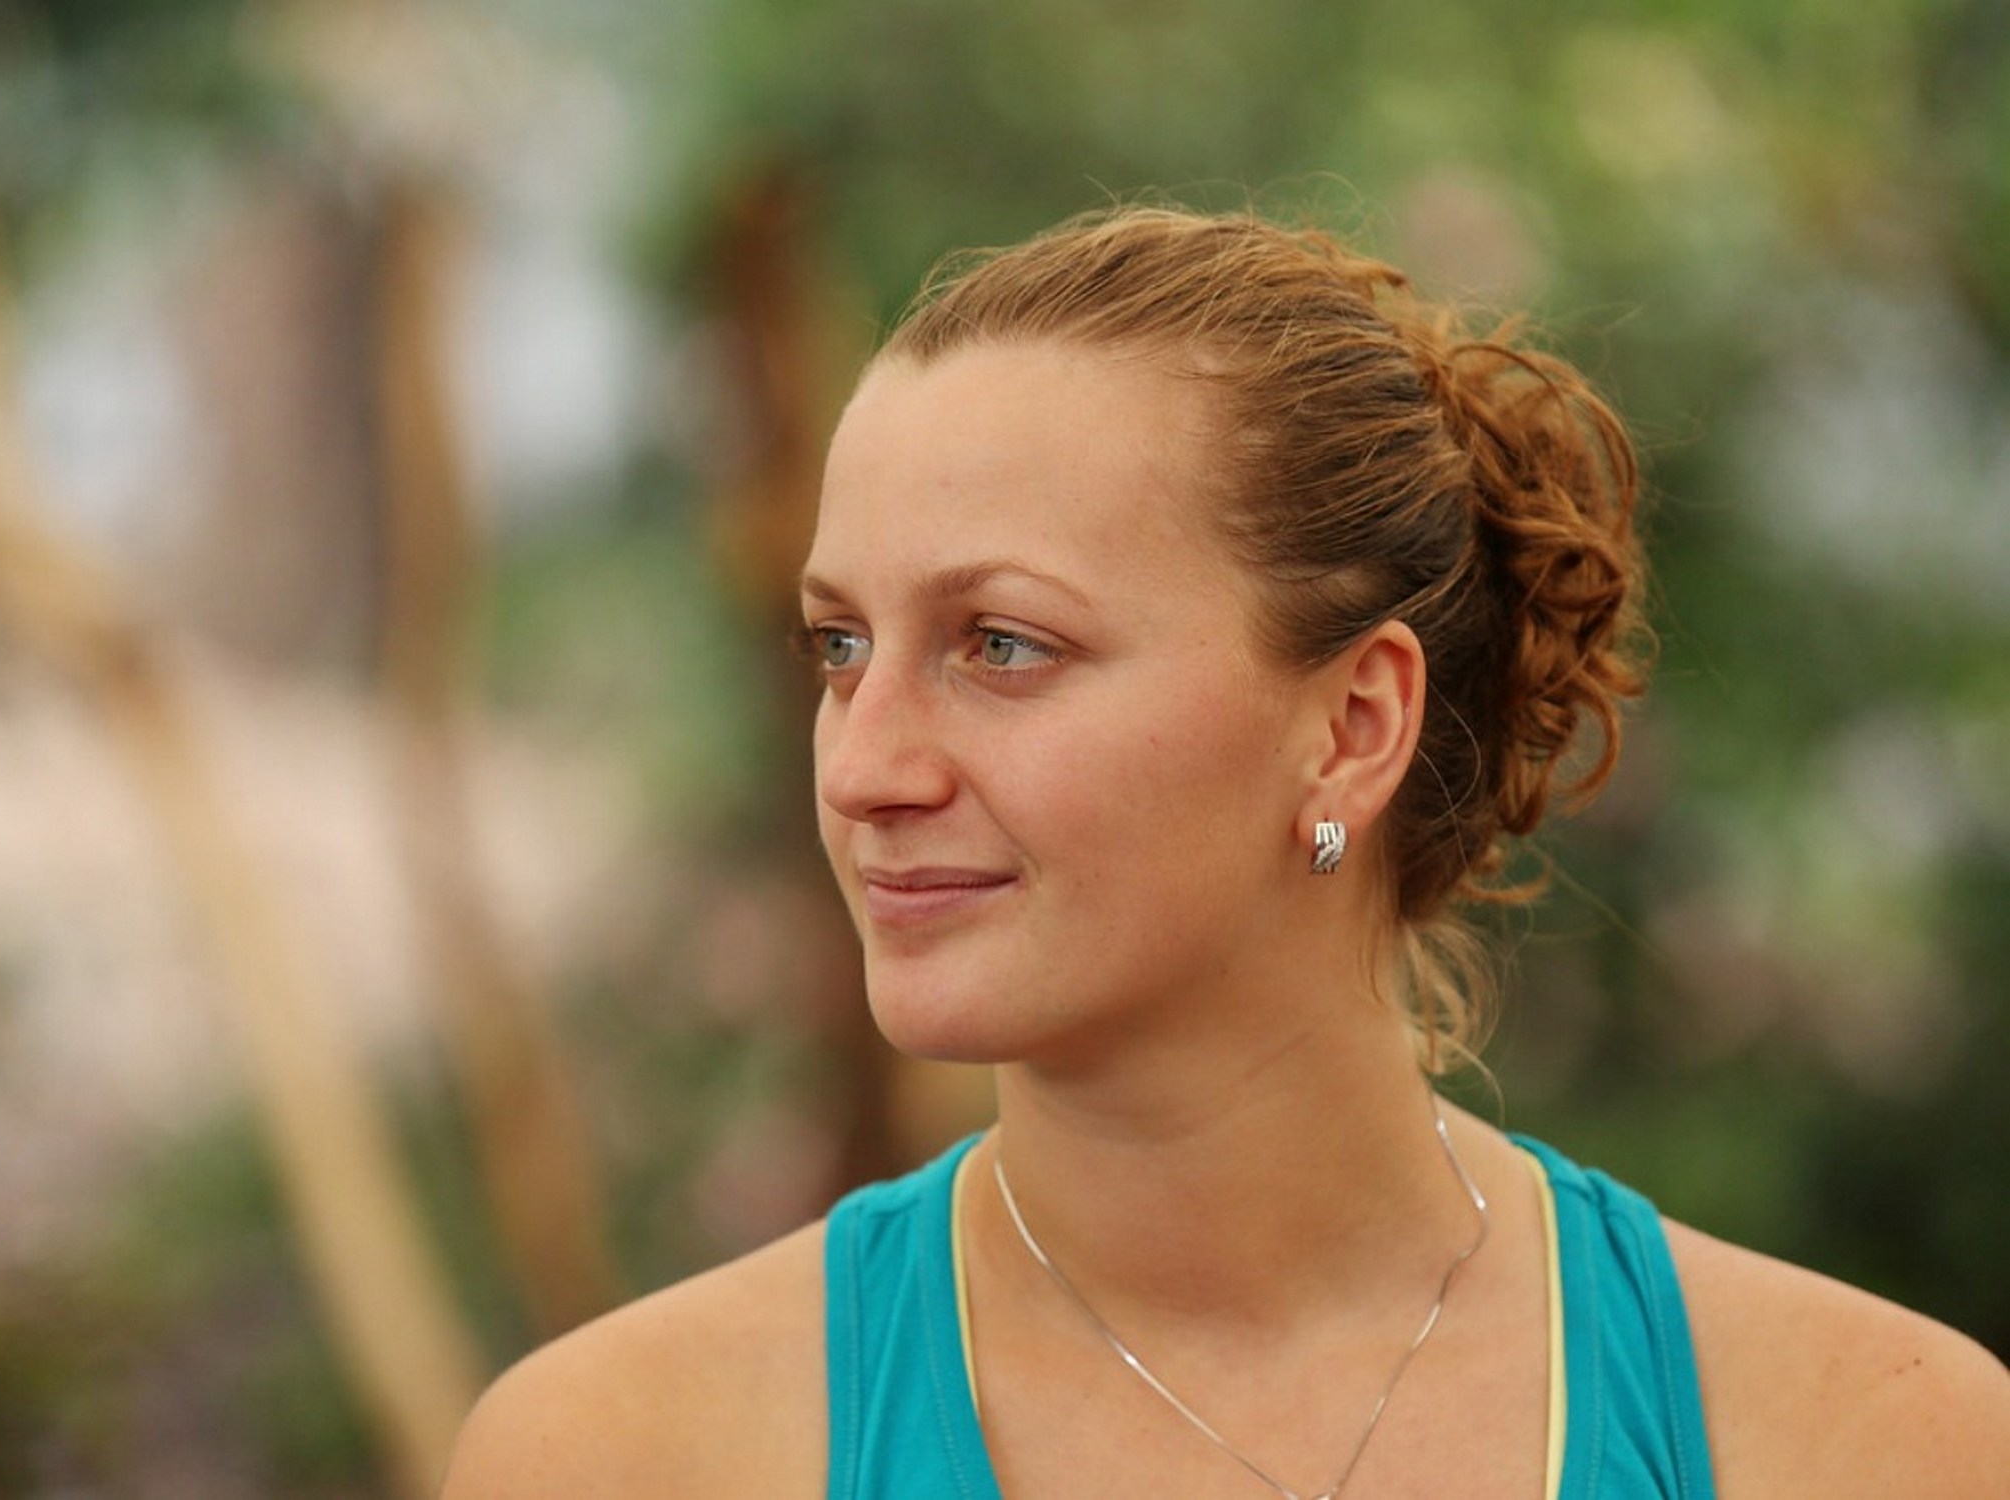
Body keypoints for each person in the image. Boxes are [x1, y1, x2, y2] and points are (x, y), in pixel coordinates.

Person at [441, 205, 2010, 1498]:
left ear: (1346, 727)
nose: (861, 768)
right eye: (838, 647)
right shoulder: (628, 1456)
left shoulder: (1866, 1441)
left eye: (998, 643)